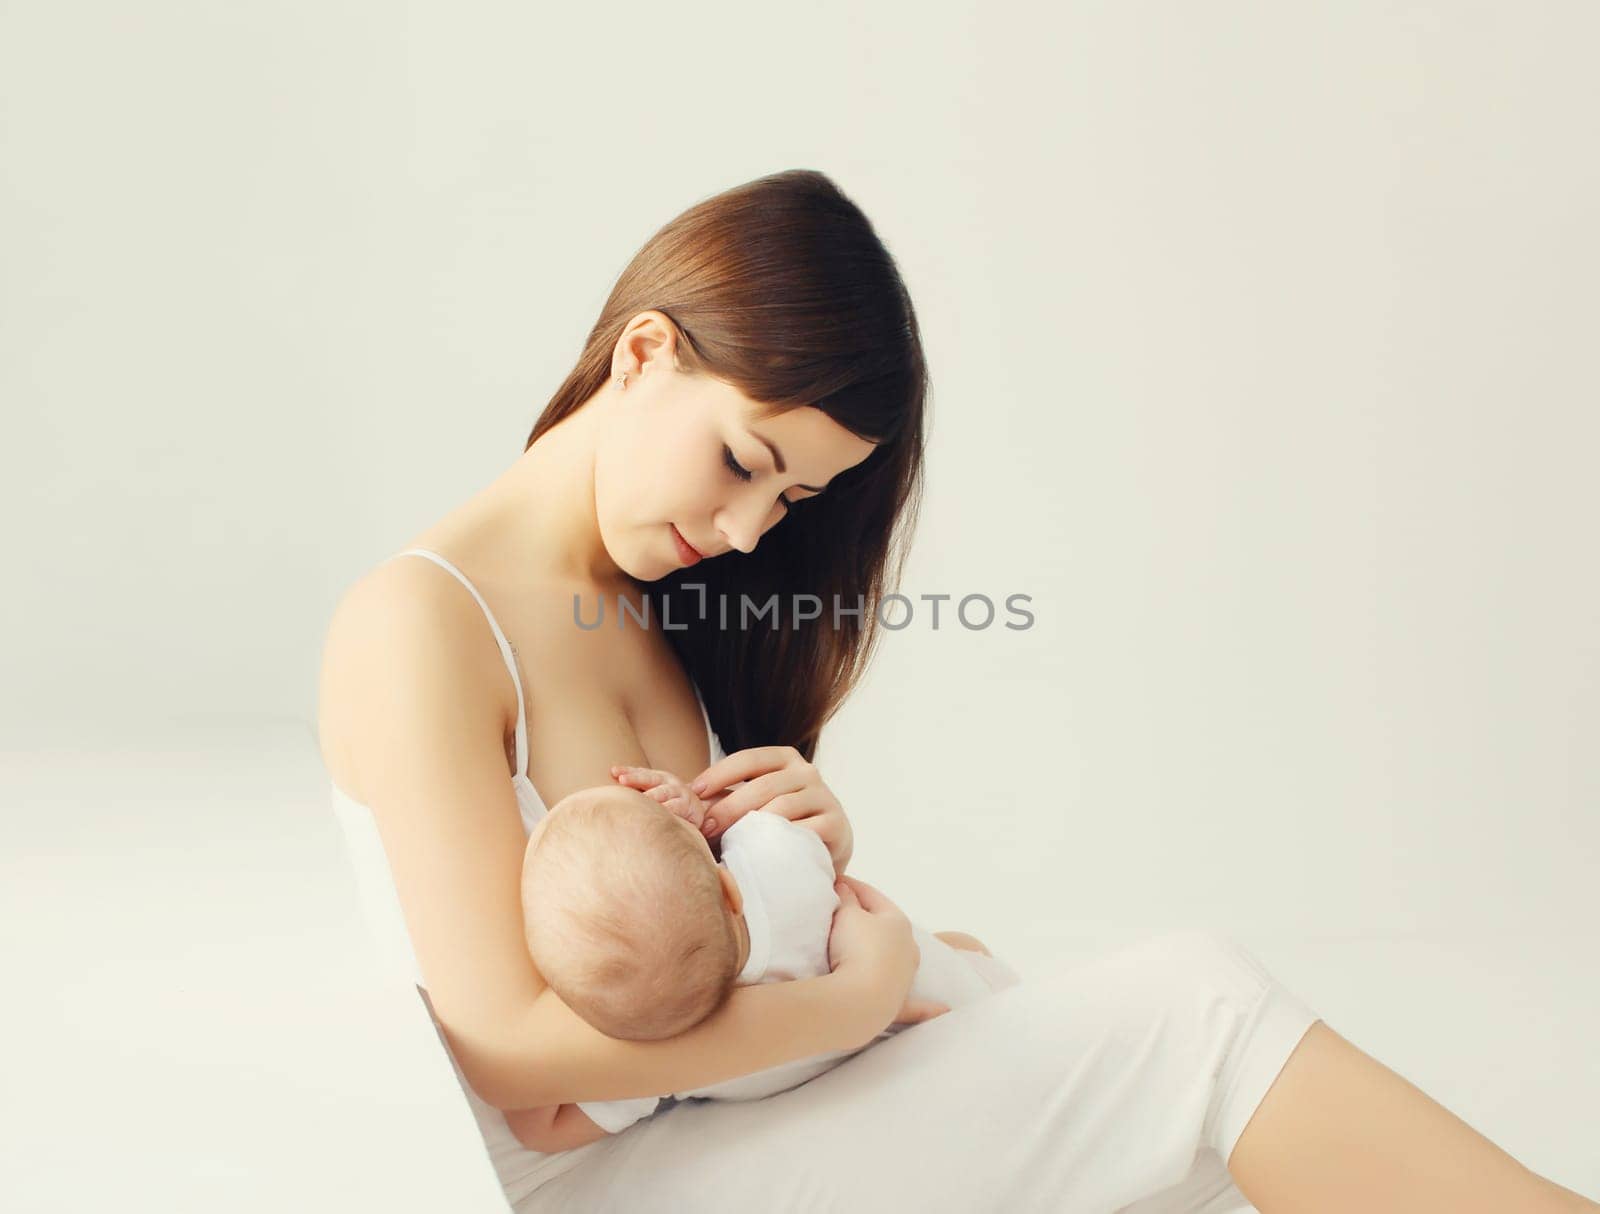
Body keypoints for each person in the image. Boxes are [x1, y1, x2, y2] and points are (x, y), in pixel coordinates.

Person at [318, 169, 1598, 1211]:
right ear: (644, 352)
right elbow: (510, 1046)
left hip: (716, 1122)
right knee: (1198, 1015)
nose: (755, 528)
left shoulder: (654, 605)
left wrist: (795, 842)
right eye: (745, 461)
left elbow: (683, 947)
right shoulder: (420, 623)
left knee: (1205, 1132)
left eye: (792, 499)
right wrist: (853, 996)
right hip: (601, 1183)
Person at [504, 778, 1022, 1152]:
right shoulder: (775, 858)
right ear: (729, 887)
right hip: (965, 995)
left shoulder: (663, 1061)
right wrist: (694, 809)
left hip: (916, 1102)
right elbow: (758, 818)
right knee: (960, 941)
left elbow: (539, 1128)